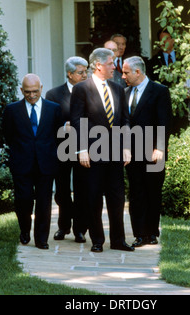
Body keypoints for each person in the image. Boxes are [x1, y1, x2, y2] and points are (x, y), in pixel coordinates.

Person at [70, 48, 134, 252]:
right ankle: (97, 240)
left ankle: (118, 241)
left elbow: (124, 119)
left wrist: (126, 146)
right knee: (93, 198)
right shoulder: (82, 89)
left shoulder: (117, 88)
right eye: (110, 63)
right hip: (92, 152)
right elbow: (77, 120)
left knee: (117, 198)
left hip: (115, 153)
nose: (114, 67)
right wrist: (81, 149)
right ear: (98, 65)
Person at [3, 74, 62, 249]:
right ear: (21, 90)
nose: (31, 95)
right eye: (27, 92)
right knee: (24, 200)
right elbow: (8, 135)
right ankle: (25, 231)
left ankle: (41, 238)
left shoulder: (54, 109)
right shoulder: (12, 110)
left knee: (44, 202)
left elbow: (58, 135)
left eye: (35, 91)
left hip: (46, 162)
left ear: (41, 88)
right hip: (22, 163)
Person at [121, 56, 173, 247]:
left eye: (126, 72)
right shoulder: (125, 93)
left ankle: (152, 232)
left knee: (153, 192)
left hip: (153, 152)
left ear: (137, 72)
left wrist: (159, 148)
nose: (123, 75)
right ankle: (140, 234)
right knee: (136, 193)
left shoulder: (159, 91)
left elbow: (164, 121)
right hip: (132, 153)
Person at [45, 56, 88, 243]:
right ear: (69, 74)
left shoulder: (90, 92)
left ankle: (80, 229)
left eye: (86, 71)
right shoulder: (53, 94)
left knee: (82, 189)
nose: (85, 75)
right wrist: (64, 126)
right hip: (62, 147)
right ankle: (64, 226)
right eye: (81, 72)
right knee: (62, 190)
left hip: (84, 148)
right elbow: (49, 123)